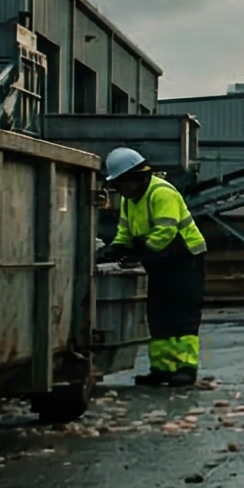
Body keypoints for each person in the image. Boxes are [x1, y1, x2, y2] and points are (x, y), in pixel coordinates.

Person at [100, 147, 207, 387]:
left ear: (133, 178)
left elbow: (166, 230)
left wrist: (141, 254)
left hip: (184, 259)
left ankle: (185, 368)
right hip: (161, 260)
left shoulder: (161, 192)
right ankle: (162, 368)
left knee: (182, 316)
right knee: (159, 316)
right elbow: (125, 230)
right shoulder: (131, 200)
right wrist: (116, 248)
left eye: (119, 184)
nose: (118, 190)